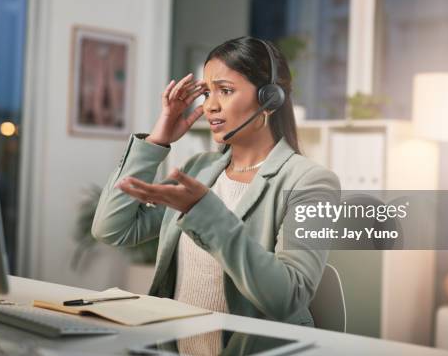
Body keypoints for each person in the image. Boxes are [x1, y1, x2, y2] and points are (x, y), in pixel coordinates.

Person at [91, 37, 341, 331]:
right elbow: (111, 229)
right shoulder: (199, 169)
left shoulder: (312, 182)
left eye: (225, 90)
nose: (210, 106)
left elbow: (288, 297)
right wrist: (156, 142)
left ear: (270, 99)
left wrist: (205, 211)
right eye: (207, 93)